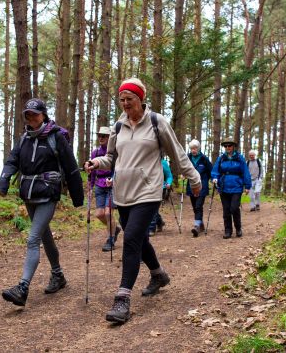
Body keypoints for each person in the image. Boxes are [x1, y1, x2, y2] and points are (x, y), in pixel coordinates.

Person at [84, 78, 201, 324]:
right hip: (123, 191)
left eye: (130, 99)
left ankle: (122, 298)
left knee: (131, 239)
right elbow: (111, 158)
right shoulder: (118, 126)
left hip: (148, 191)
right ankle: (158, 274)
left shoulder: (157, 122)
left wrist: (194, 179)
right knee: (139, 238)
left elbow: (178, 154)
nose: (126, 104)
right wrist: (97, 163)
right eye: (122, 99)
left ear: (141, 98)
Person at [0, 98, 84, 307]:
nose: (31, 117)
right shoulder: (24, 138)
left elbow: (70, 165)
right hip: (28, 193)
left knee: (33, 238)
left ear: (44, 115)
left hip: (48, 193)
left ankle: (22, 287)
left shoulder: (56, 137)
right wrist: (4, 178)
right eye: (28, 114)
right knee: (44, 235)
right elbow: (12, 161)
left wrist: (77, 196)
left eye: (35, 114)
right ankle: (58, 275)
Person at [90, 126, 122, 251]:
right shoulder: (95, 152)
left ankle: (110, 239)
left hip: (112, 184)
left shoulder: (115, 153)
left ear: (110, 138)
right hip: (99, 185)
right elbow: (92, 172)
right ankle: (115, 228)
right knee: (99, 214)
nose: (101, 138)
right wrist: (91, 186)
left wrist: (113, 179)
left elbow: (118, 168)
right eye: (99, 135)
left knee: (108, 213)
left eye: (104, 136)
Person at [211, 138, 251, 239]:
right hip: (223, 186)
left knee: (234, 208)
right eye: (226, 146)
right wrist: (215, 178)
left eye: (229, 146)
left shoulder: (239, 158)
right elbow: (215, 170)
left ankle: (238, 228)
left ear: (233, 146)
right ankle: (228, 230)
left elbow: (245, 172)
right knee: (226, 210)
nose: (227, 147)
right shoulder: (221, 158)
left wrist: (247, 186)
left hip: (237, 186)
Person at [186, 140, 213, 237]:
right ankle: (200, 223)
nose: (193, 150)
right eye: (192, 148)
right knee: (194, 207)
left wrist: (213, 179)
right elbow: (184, 169)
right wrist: (183, 174)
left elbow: (211, 171)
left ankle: (196, 226)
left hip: (202, 186)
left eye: (195, 148)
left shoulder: (204, 159)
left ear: (198, 148)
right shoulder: (188, 158)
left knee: (198, 206)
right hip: (191, 186)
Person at [147, 158, 173, 237]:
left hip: (160, 187)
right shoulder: (145, 161)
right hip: (147, 188)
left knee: (153, 207)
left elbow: (169, 176)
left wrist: (168, 183)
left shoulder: (163, 162)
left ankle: (151, 228)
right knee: (150, 208)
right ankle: (159, 222)